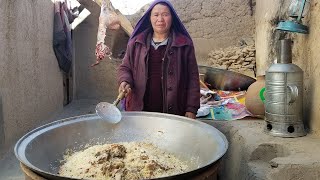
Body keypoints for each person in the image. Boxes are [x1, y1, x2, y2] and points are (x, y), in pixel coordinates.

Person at [117, 0, 200, 119]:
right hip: (139, 110)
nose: (160, 19)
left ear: (172, 18)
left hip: (173, 110)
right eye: (156, 15)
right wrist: (125, 81)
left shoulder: (184, 45)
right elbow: (125, 67)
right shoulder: (136, 43)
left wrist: (191, 108)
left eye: (165, 14)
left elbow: (193, 78)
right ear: (149, 18)